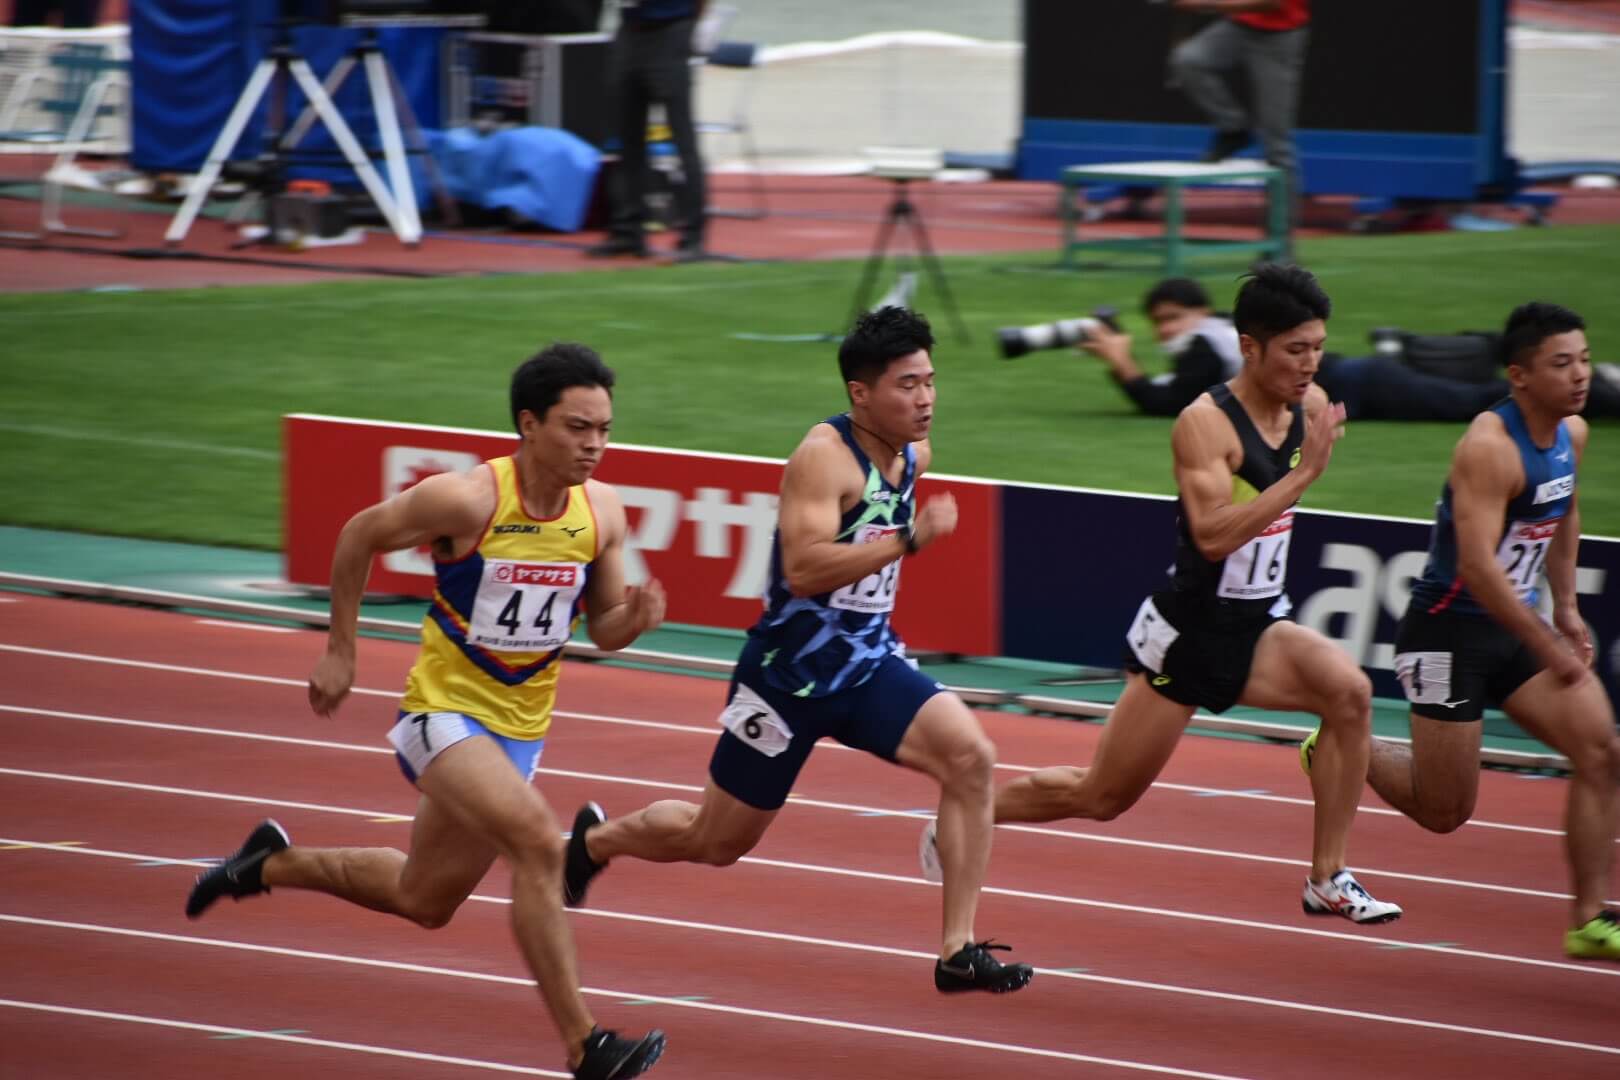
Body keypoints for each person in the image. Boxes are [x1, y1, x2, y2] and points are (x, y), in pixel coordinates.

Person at [184, 345, 670, 1080]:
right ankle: (586, 1045)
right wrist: (340, 652)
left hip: (518, 732)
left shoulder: (601, 512)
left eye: (605, 428)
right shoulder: (467, 500)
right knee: (541, 844)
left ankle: (265, 862)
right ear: (529, 424)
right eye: (578, 427)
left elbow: (600, 629)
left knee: (424, 897)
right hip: (440, 715)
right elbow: (357, 535)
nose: (595, 445)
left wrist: (633, 620)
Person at [560, 306, 1036, 993]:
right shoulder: (822, 458)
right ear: (860, 393)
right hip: (787, 683)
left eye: (930, 381)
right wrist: (908, 541)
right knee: (716, 840)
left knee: (972, 759)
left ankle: (956, 949)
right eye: (907, 385)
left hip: (867, 667)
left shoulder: (912, 454)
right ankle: (593, 843)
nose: (926, 398)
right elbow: (807, 569)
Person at [934, 263, 1402, 924]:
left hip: (1259, 625)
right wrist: (1302, 479)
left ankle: (1327, 876)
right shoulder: (1204, 424)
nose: (1310, 364)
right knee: (1100, 796)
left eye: (1318, 347)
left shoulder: (1314, 407)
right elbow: (1211, 538)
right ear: (1249, 346)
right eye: (1295, 350)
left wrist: (1300, 469)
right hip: (1191, 633)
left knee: (1350, 694)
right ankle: (969, 811)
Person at [1327, 302, 1620, 959]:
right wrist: (1548, 638)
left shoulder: (1571, 432)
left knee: (1602, 752)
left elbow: (1562, 515)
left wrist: (1567, 608)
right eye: (1560, 364)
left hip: (1517, 627)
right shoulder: (1489, 446)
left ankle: (1590, 917)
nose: (1579, 376)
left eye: (1582, 359)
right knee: (1444, 811)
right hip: (1448, 633)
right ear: (1519, 375)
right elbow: (1479, 569)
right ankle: (1344, 743)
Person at [1081, 277, 1511, 422]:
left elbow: (1169, 401)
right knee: (1465, 392)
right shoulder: (1216, 333)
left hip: (1357, 386)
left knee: (1467, 403)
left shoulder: (1206, 342)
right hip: (1358, 381)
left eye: (1172, 317)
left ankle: (1560, 399)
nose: (1164, 330)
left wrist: (1122, 364)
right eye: (1158, 322)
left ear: (1199, 311)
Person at [587, 0, 710, 263]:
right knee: (626, 137)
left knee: (682, 138)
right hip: (630, 31)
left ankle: (693, 238)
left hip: (670, 31)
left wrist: (691, 28)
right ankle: (627, 230)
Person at [1169, 0, 1310, 195]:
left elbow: (1270, 4)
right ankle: (1234, 128)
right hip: (1238, 26)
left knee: (1276, 143)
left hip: (1280, 37)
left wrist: (1204, 4)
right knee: (1190, 60)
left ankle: (1281, 223)